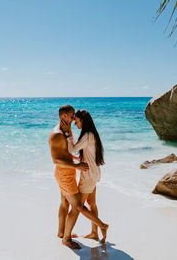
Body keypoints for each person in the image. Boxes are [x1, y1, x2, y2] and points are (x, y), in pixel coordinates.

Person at [49, 105, 108, 250]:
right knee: (77, 206)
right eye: (71, 116)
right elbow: (56, 160)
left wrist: (75, 161)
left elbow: (69, 151)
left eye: (76, 118)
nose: (74, 120)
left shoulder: (69, 132)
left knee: (66, 203)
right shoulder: (58, 134)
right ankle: (68, 238)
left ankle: (62, 232)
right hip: (66, 173)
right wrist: (76, 165)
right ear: (64, 116)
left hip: (76, 172)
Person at [61, 109, 106, 242]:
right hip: (94, 172)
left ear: (83, 121)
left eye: (77, 121)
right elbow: (88, 154)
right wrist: (76, 158)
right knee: (92, 203)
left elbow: (72, 148)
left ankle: (102, 226)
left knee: (77, 206)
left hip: (89, 175)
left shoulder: (87, 135)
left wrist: (67, 132)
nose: (75, 124)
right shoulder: (92, 134)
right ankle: (94, 233)